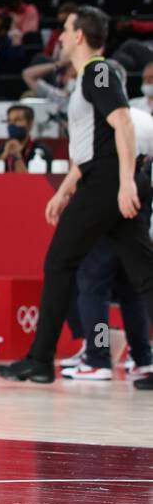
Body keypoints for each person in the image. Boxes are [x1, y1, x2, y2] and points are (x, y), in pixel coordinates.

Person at [0, 7, 153, 386]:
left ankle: (40, 359)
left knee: (59, 263)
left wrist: (126, 181)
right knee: (145, 274)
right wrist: (66, 188)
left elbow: (123, 122)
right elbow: (92, 143)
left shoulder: (98, 71)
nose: (61, 37)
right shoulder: (89, 76)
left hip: (108, 182)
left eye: (65, 30)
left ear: (80, 35)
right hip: (104, 177)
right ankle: (42, 359)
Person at [60, 108, 153, 380]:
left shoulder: (93, 120)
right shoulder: (143, 118)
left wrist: (65, 195)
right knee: (129, 283)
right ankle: (142, 356)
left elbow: (82, 166)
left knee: (93, 281)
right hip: (139, 189)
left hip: (107, 193)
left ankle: (98, 357)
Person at [0, 104, 54, 173]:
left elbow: (36, 181)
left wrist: (17, 156)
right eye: (9, 120)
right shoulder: (0, 150)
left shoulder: (41, 151)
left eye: (17, 120)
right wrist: (4, 155)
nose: (12, 124)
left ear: (30, 124)